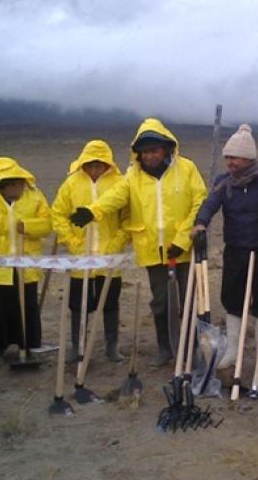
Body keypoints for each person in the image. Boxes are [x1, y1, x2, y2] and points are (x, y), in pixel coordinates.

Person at [69, 118, 207, 367]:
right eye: (144, 152)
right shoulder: (133, 176)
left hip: (183, 250)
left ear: (165, 148)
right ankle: (165, 348)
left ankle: (191, 349)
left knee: (188, 301)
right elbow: (115, 197)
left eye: (154, 150)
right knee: (161, 302)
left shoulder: (186, 169)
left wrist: (182, 239)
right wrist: (93, 211)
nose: (150, 156)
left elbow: (199, 202)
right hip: (152, 250)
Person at [190, 124, 258, 371]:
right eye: (227, 157)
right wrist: (200, 223)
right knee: (232, 300)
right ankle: (232, 351)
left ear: (249, 157)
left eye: (235, 157)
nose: (230, 162)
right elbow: (210, 203)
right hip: (235, 250)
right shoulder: (223, 182)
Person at [51, 140, 130, 363]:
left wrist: (118, 241)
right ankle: (78, 345)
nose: (95, 170)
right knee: (78, 303)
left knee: (110, 302)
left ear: (108, 164)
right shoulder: (71, 184)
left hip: (109, 256)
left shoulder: (119, 183)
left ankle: (111, 346)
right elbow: (58, 214)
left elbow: (128, 217)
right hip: (80, 256)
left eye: (99, 165)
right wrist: (71, 240)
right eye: (90, 165)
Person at [0, 157, 52, 365]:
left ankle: (28, 346)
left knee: (28, 307)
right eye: (12, 185)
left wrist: (28, 226)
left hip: (26, 265)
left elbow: (47, 224)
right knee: (1, 308)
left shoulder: (35, 197)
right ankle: (0, 346)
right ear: (2, 186)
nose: (18, 188)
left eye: (18, 183)